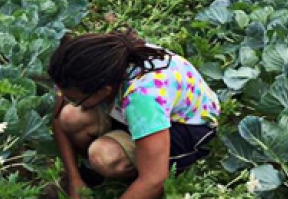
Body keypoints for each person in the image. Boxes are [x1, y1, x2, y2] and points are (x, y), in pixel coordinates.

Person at [45, 29, 221, 199]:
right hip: (144, 113)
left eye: (75, 99)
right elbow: (59, 118)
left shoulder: (142, 99)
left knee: (104, 156)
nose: (69, 100)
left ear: (104, 91)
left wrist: (148, 180)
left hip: (186, 127)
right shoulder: (102, 62)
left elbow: (154, 179)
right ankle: (91, 174)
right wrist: (75, 179)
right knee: (70, 116)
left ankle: (128, 174)